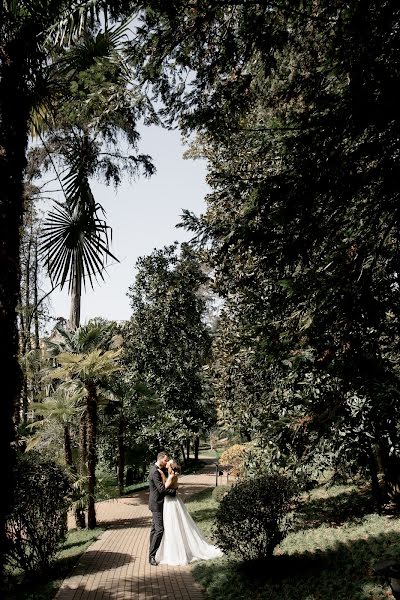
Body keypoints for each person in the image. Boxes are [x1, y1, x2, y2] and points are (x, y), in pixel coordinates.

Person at [155, 459, 223, 566]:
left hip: (171, 502)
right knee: (173, 524)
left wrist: (162, 476)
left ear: (170, 466)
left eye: (168, 462)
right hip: (172, 500)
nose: (166, 463)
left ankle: (176, 553)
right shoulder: (173, 475)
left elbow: (163, 488)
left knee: (173, 525)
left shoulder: (172, 476)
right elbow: (174, 487)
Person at [148, 451, 177, 566]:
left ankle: (151, 554)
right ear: (160, 459)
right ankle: (152, 556)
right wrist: (173, 492)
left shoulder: (157, 470)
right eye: (165, 460)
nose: (166, 462)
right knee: (159, 530)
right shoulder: (154, 471)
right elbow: (161, 489)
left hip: (156, 503)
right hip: (156, 504)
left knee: (154, 529)